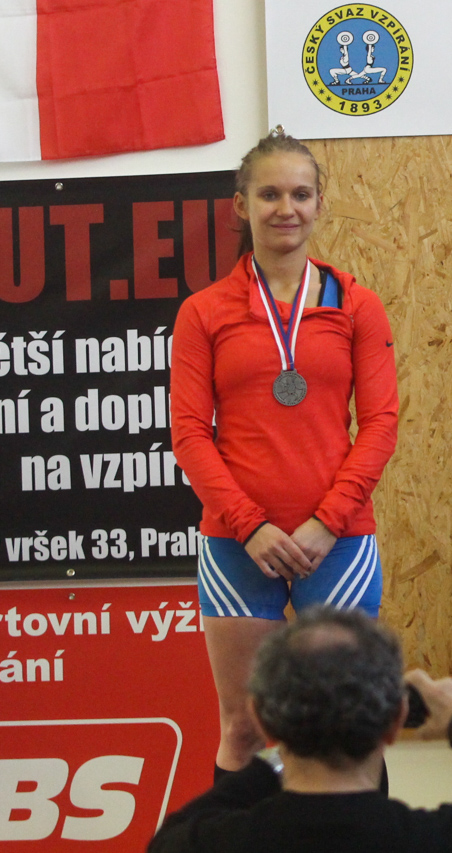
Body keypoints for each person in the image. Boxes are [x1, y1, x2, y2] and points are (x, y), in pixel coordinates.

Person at [170, 131, 399, 779]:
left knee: (349, 723)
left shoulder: (357, 305)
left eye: (300, 194)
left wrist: (328, 521)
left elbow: (380, 424)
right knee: (246, 725)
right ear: (240, 204)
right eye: (269, 194)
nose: (285, 208)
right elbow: (188, 432)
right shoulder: (203, 312)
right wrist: (250, 525)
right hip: (237, 545)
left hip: (340, 541)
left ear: (320, 203)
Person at [147, 606, 452, 853]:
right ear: (395, 721)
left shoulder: (205, 842)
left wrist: (277, 754)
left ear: (264, 719)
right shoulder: (448, 838)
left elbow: (168, 835)